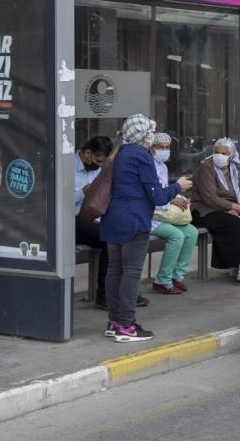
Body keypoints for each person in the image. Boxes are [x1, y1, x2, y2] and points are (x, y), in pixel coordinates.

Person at [101, 114, 191, 343]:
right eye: (150, 131)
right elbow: (158, 196)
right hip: (134, 219)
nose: (152, 135)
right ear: (143, 135)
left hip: (114, 217)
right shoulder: (141, 155)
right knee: (131, 273)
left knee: (115, 270)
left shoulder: (121, 152)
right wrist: (178, 186)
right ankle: (126, 325)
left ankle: (115, 321)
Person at [190, 137, 240, 286]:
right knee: (239, 226)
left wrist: (238, 209)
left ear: (231, 155)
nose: (219, 156)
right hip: (205, 210)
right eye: (217, 152)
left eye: (224, 153)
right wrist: (234, 208)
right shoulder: (206, 167)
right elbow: (209, 198)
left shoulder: (234, 169)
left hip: (229, 209)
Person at [74, 135, 142, 309]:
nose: (99, 165)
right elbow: (57, 199)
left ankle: (126, 290)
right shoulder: (68, 167)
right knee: (108, 239)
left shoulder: (95, 169)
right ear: (87, 153)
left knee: (123, 233)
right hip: (70, 219)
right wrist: (83, 192)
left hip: (93, 217)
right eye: (98, 160)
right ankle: (104, 295)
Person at [149, 132, 200, 295]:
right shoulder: (148, 166)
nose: (165, 151)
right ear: (152, 148)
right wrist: (172, 199)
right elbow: (154, 194)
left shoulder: (163, 167)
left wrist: (175, 197)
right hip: (151, 216)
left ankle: (177, 275)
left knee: (191, 232)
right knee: (176, 236)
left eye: (167, 147)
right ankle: (162, 280)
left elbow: (165, 189)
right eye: (161, 147)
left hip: (164, 213)